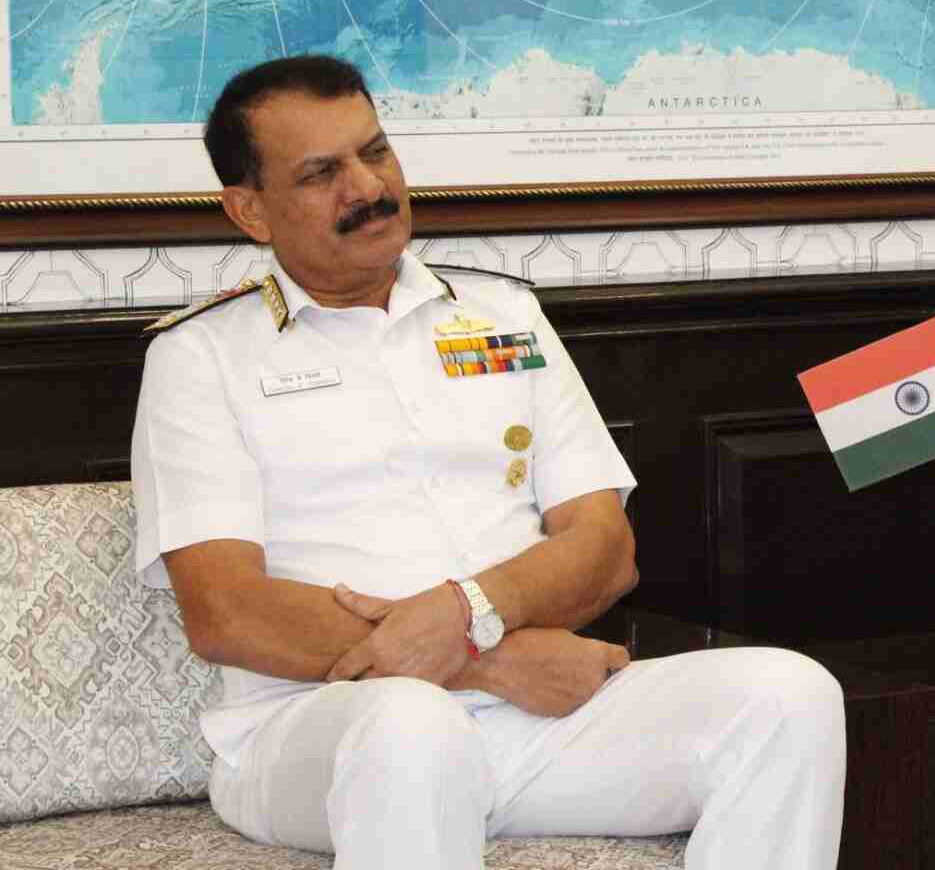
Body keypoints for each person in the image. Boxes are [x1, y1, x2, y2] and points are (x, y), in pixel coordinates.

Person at [132, 55, 845, 870]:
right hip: (321, 729)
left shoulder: (504, 314)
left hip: (535, 722)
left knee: (789, 697)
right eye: (322, 173)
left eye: (375, 152)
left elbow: (605, 549)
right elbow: (228, 612)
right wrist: (487, 657)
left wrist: (470, 614)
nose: (366, 188)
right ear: (250, 211)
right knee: (412, 725)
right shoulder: (202, 357)